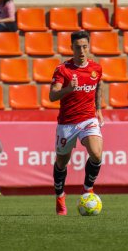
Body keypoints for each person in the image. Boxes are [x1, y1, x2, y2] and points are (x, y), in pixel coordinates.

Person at [49, 30, 104, 216]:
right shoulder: (63, 70)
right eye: (78, 47)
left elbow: (98, 87)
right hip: (67, 123)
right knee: (61, 163)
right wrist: (68, 89)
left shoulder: (96, 68)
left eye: (85, 46)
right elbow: (51, 96)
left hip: (88, 119)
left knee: (96, 154)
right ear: (71, 48)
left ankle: (87, 189)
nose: (82, 50)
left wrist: (98, 109)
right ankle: (60, 195)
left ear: (89, 46)